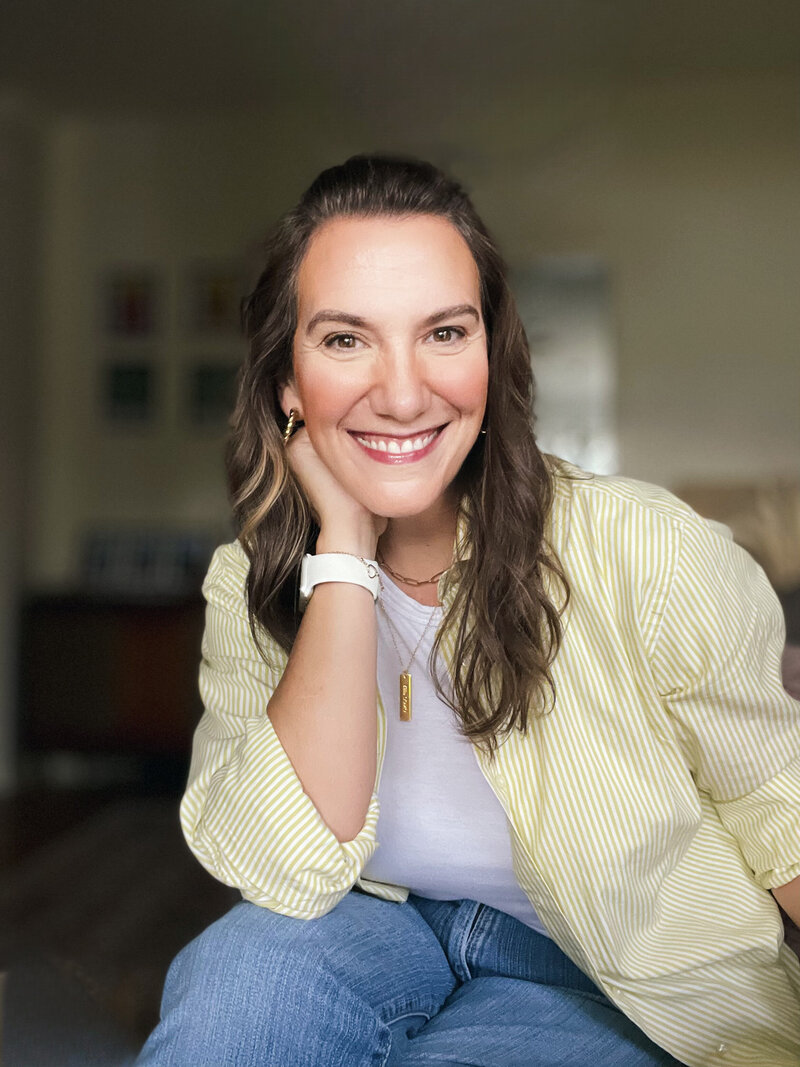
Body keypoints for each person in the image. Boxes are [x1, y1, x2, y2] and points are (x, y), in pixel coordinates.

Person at [136, 156, 800, 1067]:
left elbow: (778, 798)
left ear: (493, 355)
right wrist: (342, 549)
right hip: (372, 924)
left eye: (445, 333)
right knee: (223, 1018)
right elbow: (280, 864)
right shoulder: (247, 581)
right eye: (344, 340)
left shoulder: (651, 546)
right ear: (287, 382)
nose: (405, 392)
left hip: (605, 966)